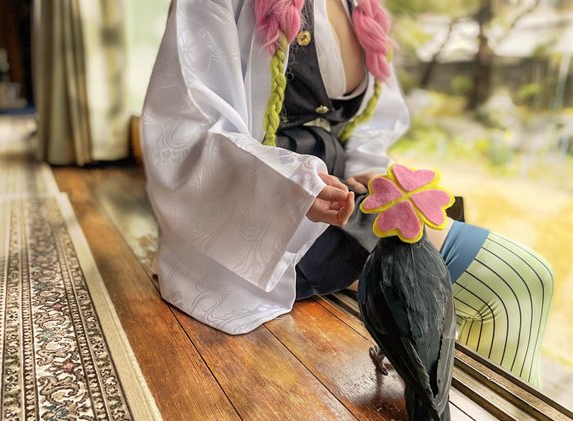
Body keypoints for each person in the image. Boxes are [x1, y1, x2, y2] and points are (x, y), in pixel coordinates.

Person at [141, 0, 554, 387]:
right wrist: (295, 186)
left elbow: (365, 124)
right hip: (269, 213)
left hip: (345, 200)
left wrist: (366, 171)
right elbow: (186, 129)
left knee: (516, 283)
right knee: (518, 281)